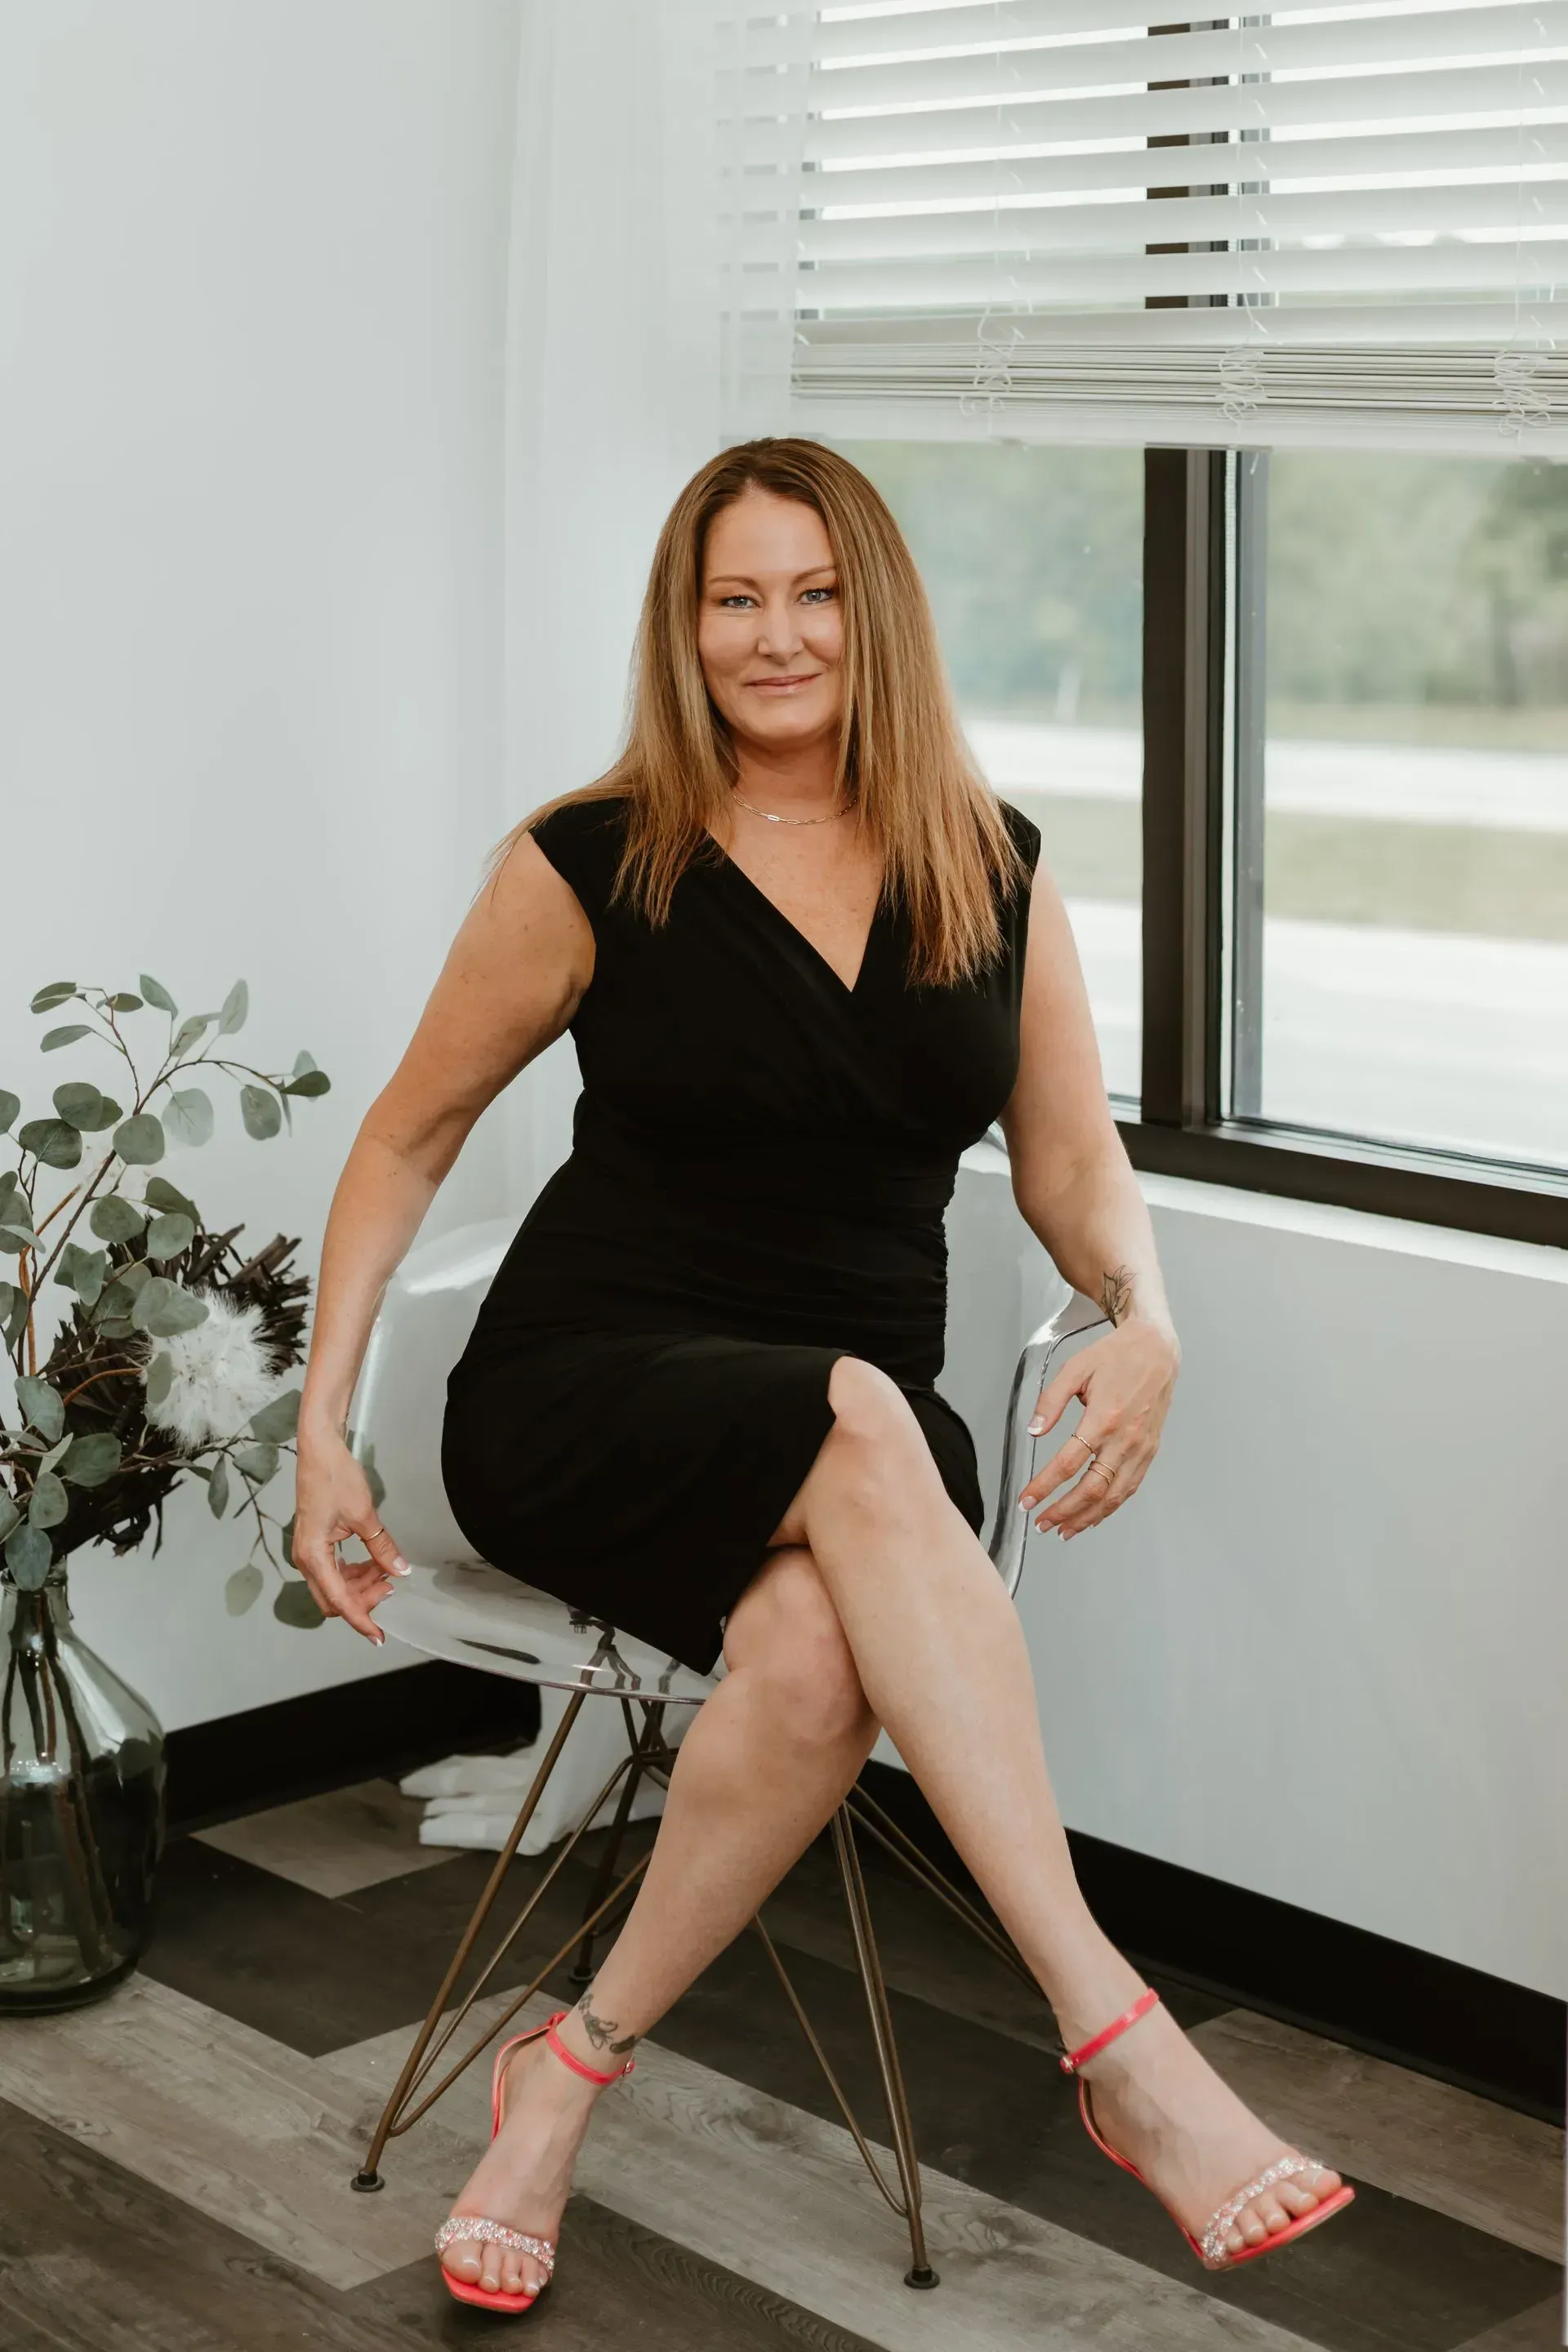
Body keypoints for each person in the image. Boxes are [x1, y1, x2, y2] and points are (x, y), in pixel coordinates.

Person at [292, 439, 1352, 2314]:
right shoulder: (593, 860)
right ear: (684, 628)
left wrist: (1152, 1314)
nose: (775, 636)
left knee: (810, 1639)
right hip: (589, 1389)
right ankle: (1118, 2041)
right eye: (734, 598)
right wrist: (323, 1434)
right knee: (865, 1418)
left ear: (877, 612)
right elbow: (405, 1137)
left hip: (845, 1432)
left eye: (813, 593)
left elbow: (1069, 1161)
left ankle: (566, 2071)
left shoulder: (990, 864)